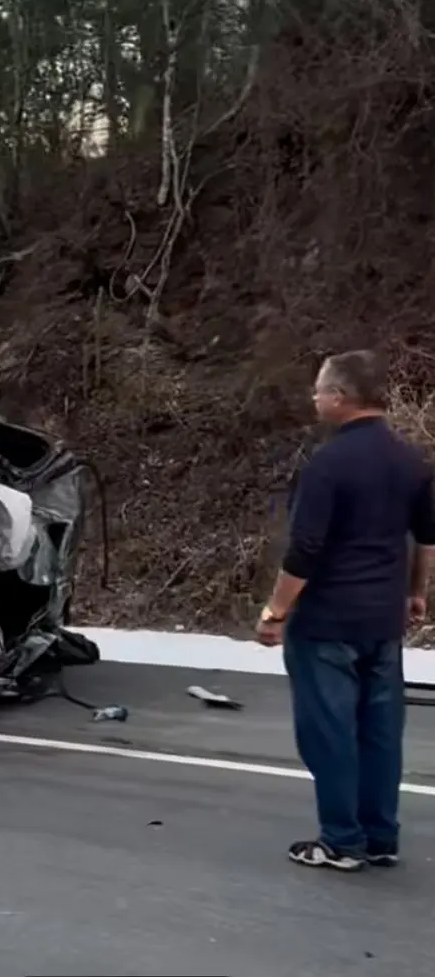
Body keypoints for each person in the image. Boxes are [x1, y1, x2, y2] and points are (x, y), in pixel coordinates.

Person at [256, 350, 434, 870]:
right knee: (380, 733)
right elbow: (427, 536)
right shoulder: (411, 459)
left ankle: (340, 841)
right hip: (383, 620)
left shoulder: (327, 465)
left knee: (330, 732)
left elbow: (305, 549)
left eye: (318, 390)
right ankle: (381, 837)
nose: (314, 398)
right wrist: (416, 593)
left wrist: (275, 613)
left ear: (340, 397)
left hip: (328, 622)